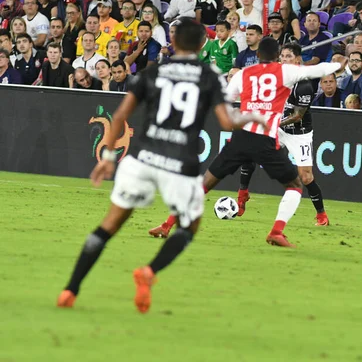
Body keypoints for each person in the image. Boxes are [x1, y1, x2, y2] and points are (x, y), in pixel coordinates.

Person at [56, 19, 263, 313]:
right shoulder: (209, 75)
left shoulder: (154, 71)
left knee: (108, 226)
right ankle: (149, 272)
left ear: (175, 43)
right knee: (188, 227)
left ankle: (70, 290)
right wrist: (251, 118)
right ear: (203, 44)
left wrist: (109, 159)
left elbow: (120, 116)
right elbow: (228, 121)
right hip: (180, 165)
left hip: (142, 159)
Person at [148, 37, 340, 246]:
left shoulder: (243, 74)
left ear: (257, 55)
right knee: (294, 185)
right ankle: (276, 231)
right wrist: (339, 64)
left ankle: (166, 225)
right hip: (265, 140)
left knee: (203, 185)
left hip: (240, 138)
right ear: (277, 56)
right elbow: (318, 70)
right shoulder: (285, 72)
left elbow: (223, 99)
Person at [234, 43, 331, 225]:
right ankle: (242, 195)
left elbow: (298, 116)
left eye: (288, 56)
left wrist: (276, 121)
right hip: (277, 128)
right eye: (283, 56)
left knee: (306, 176)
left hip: (298, 132)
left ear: (297, 60)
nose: (284, 59)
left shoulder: (303, 85)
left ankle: (321, 214)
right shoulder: (274, 78)